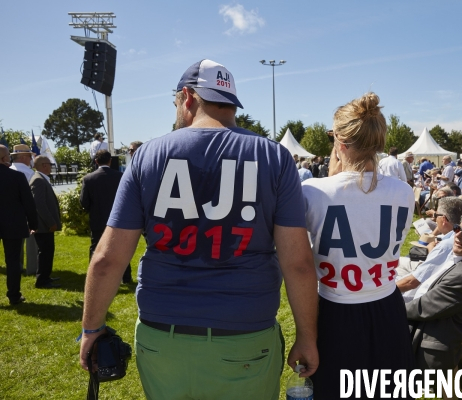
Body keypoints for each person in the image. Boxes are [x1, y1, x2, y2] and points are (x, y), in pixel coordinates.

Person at [78, 59, 318, 399]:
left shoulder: (148, 155)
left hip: (163, 335)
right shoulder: (274, 157)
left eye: (176, 101)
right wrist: (307, 336)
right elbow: (297, 262)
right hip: (245, 335)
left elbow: (107, 259)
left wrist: (91, 328)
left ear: (188, 97)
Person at [302, 92, 414, 398]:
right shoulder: (404, 191)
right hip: (387, 307)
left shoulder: (312, 191)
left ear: (339, 142)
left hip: (336, 312)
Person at [405, 213, 462, 372]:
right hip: (451, 323)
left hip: (429, 335)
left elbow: (419, 309)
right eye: (457, 229)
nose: (457, 235)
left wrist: (386, 308)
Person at [397, 197, 462, 300]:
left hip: (417, 298)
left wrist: (384, 292)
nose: (434, 218)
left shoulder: (448, 245)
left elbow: (412, 282)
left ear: (443, 219)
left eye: (436, 215)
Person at [80, 149, 132, 283]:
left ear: (96, 162)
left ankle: (94, 277)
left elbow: (83, 202)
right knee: (121, 248)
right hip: (118, 219)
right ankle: (126, 277)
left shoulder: (88, 178)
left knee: (96, 247)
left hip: (97, 219)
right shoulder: (121, 176)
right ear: (110, 161)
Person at [0, 145, 38, 305]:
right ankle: (14, 295)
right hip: (13, 224)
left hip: (12, 224)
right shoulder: (17, 177)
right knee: (13, 262)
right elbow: (28, 203)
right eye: (8, 155)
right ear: (4, 158)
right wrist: (33, 223)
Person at [30, 156, 62, 289]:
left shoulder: (40, 179)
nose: (51, 167)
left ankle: (45, 277)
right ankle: (42, 280)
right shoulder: (38, 180)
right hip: (44, 226)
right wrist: (51, 222)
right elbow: (39, 205)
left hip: (45, 226)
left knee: (47, 251)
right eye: (50, 164)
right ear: (44, 165)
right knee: (45, 252)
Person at [9, 144, 38, 275]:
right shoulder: (29, 173)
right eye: (29, 157)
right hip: (26, 212)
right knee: (31, 243)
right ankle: (32, 268)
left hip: (10, 213)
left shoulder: (8, 170)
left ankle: (17, 266)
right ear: (23, 157)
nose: (30, 160)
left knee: (14, 246)